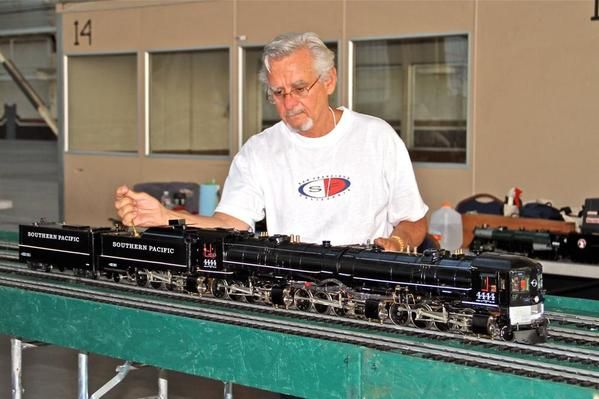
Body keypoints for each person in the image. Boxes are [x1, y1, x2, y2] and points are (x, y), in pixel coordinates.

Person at [115, 32, 428, 251]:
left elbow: (413, 220)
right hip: (292, 294)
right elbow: (231, 224)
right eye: (278, 93)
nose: (289, 103)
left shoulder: (377, 138)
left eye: (300, 88)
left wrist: (396, 245)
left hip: (368, 292)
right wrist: (166, 218)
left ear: (329, 80)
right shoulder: (259, 151)